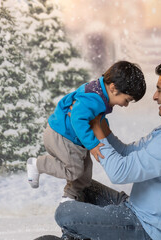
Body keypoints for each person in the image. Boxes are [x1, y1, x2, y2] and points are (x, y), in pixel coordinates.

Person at [55, 61, 161, 240]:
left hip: (147, 229)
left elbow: (120, 173)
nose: (155, 96)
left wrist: (94, 126)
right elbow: (126, 153)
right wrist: (100, 124)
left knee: (65, 213)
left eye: (160, 90)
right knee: (82, 184)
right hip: (132, 207)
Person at [26, 61, 146, 202]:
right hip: (62, 136)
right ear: (113, 88)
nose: (125, 105)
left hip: (74, 141)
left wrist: (102, 135)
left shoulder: (100, 93)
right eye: (127, 100)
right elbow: (77, 118)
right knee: (75, 171)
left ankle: (69, 197)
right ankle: (37, 164)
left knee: (85, 175)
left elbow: (96, 118)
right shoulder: (94, 97)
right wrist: (93, 145)